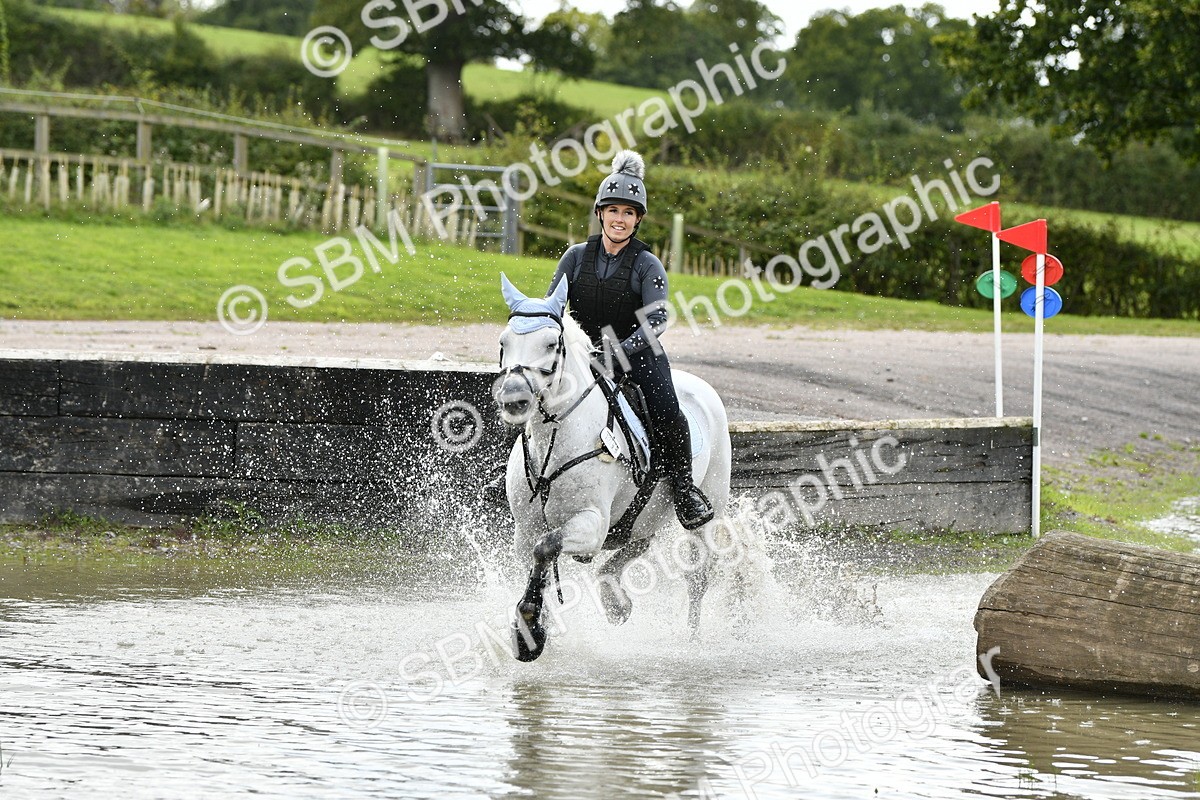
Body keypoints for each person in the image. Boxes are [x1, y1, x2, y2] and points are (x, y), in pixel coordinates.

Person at [541, 150, 715, 530]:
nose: (619, 219)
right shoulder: (574, 258)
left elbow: (657, 319)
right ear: (600, 213)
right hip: (584, 357)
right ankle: (512, 475)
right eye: (613, 211)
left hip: (637, 356)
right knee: (533, 391)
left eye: (628, 213)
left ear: (638, 220)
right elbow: (552, 308)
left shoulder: (647, 264)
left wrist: (618, 351)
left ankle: (684, 489)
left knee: (668, 409)